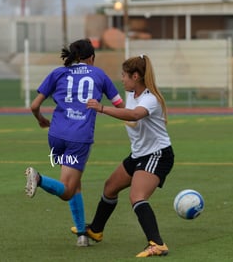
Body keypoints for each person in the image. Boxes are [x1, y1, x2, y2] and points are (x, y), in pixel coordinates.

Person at [24, 38, 125, 247]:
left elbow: (34, 105)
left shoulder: (58, 73)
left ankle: (81, 235)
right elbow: (119, 104)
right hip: (78, 137)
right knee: (68, 189)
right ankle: (39, 179)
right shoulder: (98, 74)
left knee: (74, 183)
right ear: (92, 58)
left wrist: (41, 120)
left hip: (56, 135)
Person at [73, 54, 174, 257]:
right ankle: (96, 230)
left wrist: (101, 108)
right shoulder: (132, 93)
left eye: (125, 75)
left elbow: (135, 115)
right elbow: (126, 110)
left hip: (157, 155)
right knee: (110, 187)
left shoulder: (149, 98)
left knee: (137, 196)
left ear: (136, 76)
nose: (122, 78)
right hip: (139, 155)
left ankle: (157, 244)